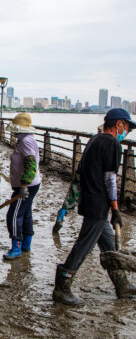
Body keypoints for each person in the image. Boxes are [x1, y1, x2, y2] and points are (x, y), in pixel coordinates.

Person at [52, 108, 136, 305]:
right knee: (84, 245)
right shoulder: (113, 144)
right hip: (98, 204)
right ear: (119, 125)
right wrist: (115, 209)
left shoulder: (94, 140)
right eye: (127, 127)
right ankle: (62, 287)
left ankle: (122, 284)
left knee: (108, 244)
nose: (127, 132)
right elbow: (110, 179)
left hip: (89, 199)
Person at [3, 113, 41, 259]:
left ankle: (16, 247)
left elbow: (31, 164)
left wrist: (24, 185)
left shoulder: (26, 141)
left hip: (26, 185)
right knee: (25, 213)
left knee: (14, 214)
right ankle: (26, 244)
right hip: (30, 184)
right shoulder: (25, 139)